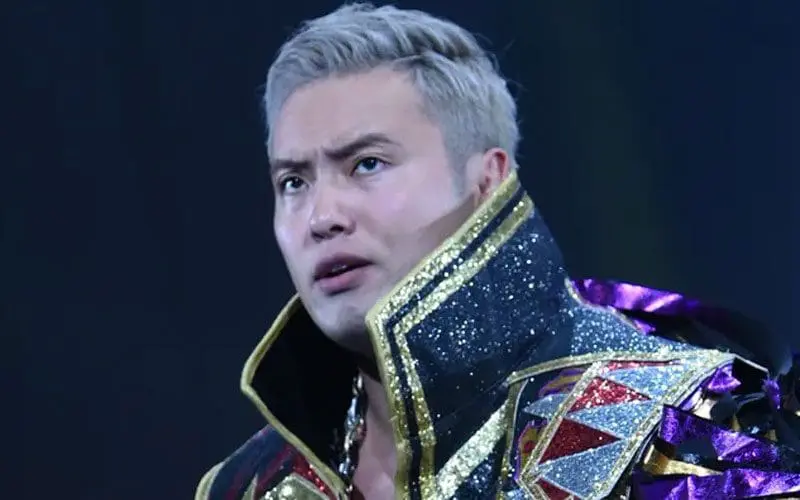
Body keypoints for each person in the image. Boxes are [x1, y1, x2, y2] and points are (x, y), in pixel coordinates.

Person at [195, 3, 800, 499]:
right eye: (293, 182)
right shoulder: (246, 486)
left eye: (367, 164)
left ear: (488, 183)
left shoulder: (681, 427)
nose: (321, 217)